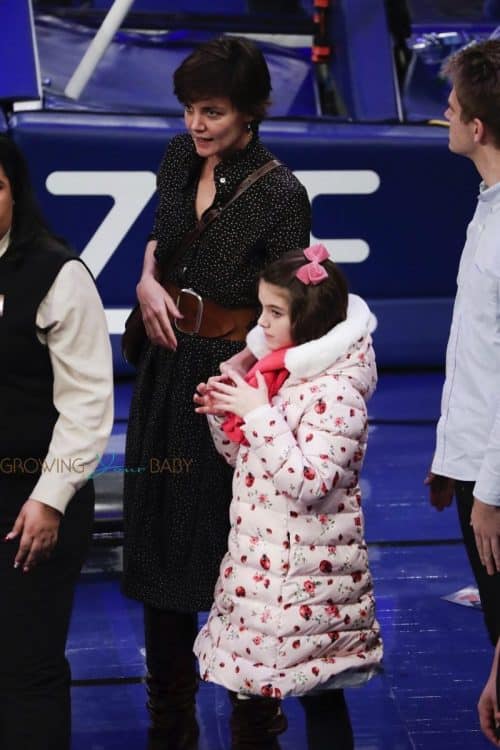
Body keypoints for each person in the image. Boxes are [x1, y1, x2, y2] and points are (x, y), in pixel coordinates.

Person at [121, 35, 311, 749]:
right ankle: (168, 730)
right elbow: (163, 242)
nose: (196, 125)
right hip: (164, 380)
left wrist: (245, 375)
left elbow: (293, 310)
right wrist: (145, 279)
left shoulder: (283, 193)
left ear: (251, 111)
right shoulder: (176, 159)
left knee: (237, 563)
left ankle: (253, 729)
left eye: (212, 111)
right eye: (189, 109)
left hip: (230, 393)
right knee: (156, 552)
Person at [193, 245, 383, 750]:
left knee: (321, 699)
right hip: (260, 572)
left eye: (275, 312)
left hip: (311, 586)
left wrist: (257, 414)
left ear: (310, 318)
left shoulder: (338, 392)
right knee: (252, 700)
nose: (263, 323)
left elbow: (311, 482)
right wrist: (225, 414)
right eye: (262, 309)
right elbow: (248, 463)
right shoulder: (277, 374)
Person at [0, 135, 113, 749]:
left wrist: (50, 499)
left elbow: (88, 404)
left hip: (30, 501)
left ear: (16, 192)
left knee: (25, 662)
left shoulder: (57, 273)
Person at [425, 39, 500, 746]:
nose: (441, 118)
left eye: (449, 109)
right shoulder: (488, 204)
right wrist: (453, 455)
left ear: (477, 128)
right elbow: (478, 355)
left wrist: (491, 492)